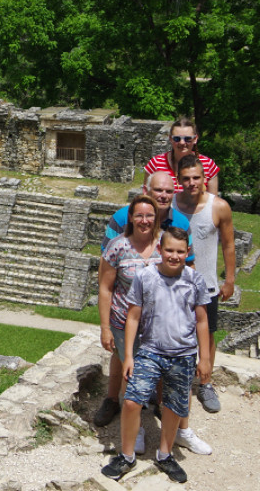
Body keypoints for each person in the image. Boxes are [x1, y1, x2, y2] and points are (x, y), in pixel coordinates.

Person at [101, 227, 211, 484]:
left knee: (174, 406)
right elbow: (133, 316)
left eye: (180, 251)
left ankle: (165, 454)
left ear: (188, 252)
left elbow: (202, 321)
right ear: (160, 250)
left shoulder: (195, 280)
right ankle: (126, 455)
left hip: (182, 354)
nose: (174, 256)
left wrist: (204, 358)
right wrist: (128, 355)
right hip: (150, 350)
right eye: (169, 250)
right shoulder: (145, 276)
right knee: (131, 401)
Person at [94, 195, 162, 455]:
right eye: (139, 216)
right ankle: (136, 430)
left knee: (152, 373)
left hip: (157, 325)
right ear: (131, 218)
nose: (144, 221)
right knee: (131, 375)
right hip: (123, 322)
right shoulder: (118, 246)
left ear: (155, 218)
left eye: (149, 216)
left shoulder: (163, 244)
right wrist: (105, 327)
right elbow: (105, 288)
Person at [172, 154, 235, 413]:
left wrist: (230, 278)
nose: (191, 183)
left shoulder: (218, 206)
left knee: (207, 336)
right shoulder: (171, 205)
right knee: (173, 333)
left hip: (206, 285)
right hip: (174, 285)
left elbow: (229, 244)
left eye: (196, 177)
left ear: (204, 178)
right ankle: (174, 382)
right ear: (179, 180)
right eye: (186, 178)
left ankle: (205, 383)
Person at [144, 117, 219, 194]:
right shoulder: (156, 163)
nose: (182, 142)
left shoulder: (208, 164)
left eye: (187, 138)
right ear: (170, 139)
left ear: (195, 139)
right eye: (177, 139)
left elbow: (213, 201)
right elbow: (146, 196)